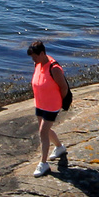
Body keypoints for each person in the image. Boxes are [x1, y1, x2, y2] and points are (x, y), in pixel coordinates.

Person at [26, 40, 69, 176]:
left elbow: (64, 87)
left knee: (43, 132)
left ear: (42, 53)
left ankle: (43, 164)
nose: (33, 59)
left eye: (35, 56)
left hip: (51, 105)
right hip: (40, 103)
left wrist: (59, 102)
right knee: (44, 129)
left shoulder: (54, 68)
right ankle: (59, 147)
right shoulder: (37, 63)